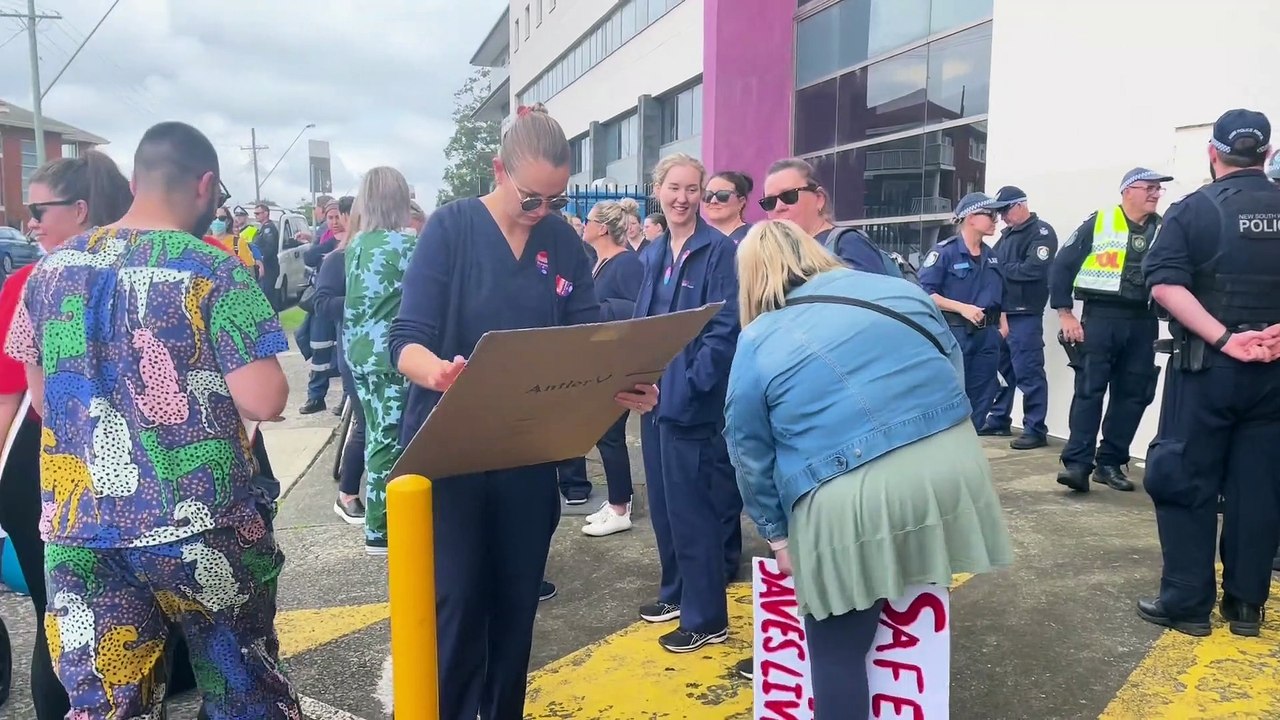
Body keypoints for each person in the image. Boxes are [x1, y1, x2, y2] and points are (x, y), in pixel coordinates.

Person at [5, 121, 299, 718]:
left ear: (135, 180)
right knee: (241, 684)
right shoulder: (213, 270)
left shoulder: (50, 273)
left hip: (81, 529)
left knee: (105, 702)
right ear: (206, 185)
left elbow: (40, 398)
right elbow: (264, 399)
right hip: (200, 526)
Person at [387, 104, 658, 720]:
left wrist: (627, 381)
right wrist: (440, 373)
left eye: (557, 202)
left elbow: (587, 334)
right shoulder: (452, 228)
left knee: (515, 607)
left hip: (528, 451)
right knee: (456, 606)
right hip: (450, 449)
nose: (542, 212)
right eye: (532, 198)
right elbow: (405, 339)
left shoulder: (560, 240)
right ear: (498, 169)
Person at [725, 220, 1012, 720]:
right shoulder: (897, 290)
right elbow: (951, 366)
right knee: (904, 592)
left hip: (847, 495)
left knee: (836, 649)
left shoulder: (758, 337)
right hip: (952, 468)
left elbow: (748, 449)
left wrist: (778, 537)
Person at [0, 151, 205, 719]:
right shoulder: (183, 262)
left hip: (58, 467)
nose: (30, 221)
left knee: (69, 630)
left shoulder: (32, 279)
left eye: (40, 208)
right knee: (171, 622)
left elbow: (17, 394)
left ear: (81, 207)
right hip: (162, 471)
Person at [1137, 109, 1280, 638]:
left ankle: (1188, 605)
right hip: (1275, 374)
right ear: (1266, 155)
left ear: (1213, 153)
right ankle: (1246, 607)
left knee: (1184, 478)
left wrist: (1224, 337)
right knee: (1260, 488)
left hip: (1209, 370)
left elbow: (1165, 286)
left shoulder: (1194, 210)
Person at [633, 152, 743, 653]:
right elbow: (640, 330)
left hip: (692, 406)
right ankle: (676, 592)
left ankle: (707, 617)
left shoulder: (720, 252)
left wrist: (683, 390)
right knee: (664, 508)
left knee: (695, 513)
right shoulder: (653, 253)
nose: (683, 198)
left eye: (693, 189)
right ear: (657, 189)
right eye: (674, 188)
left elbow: (723, 333)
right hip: (652, 403)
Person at [1049, 168, 1168, 493]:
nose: (1156, 194)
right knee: (1090, 390)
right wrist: (1065, 314)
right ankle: (1077, 465)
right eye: (1150, 188)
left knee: (1134, 395)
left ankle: (1110, 463)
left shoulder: (1166, 229)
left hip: (1144, 320)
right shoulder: (1099, 221)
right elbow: (1062, 265)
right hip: (1101, 317)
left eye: (1159, 189)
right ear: (1128, 191)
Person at [344, 170, 417, 555]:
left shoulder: (356, 244)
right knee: (391, 442)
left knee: (376, 434)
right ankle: (381, 527)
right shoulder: (406, 245)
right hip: (390, 356)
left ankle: (378, 522)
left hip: (358, 353)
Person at [569, 200, 645, 537]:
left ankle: (620, 507)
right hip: (602, 362)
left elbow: (640, 311)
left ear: (601, 227)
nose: (583, 225)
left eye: (588, 220)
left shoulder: (627, 264)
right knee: (604, 435)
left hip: (619, 363)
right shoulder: (601, 262)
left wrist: (601, 309)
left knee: (611, 436)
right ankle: (617, 499)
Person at [918, 192, 1008, 430]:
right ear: (970, 218)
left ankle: (973, 444)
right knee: (952, 394)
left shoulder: (992, 256)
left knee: (983, 395)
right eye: (990, 214)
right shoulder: (944, 253)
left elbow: (1000, 295)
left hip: (987, 337)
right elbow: (925, 294)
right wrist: (962, 308)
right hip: (956, 333)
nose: (995, 220)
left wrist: (1003, 327)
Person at [981, 186, 1057, 449]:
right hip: (1004, 314)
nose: (1001, 217)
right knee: (1002, 371)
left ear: (1020, 205)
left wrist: (1000, 268)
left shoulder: (1041, 233)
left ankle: (1035, 428)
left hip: (1025, 314)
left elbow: (1032, 270)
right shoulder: (1007, 236)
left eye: (1004, 210)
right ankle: (999, 419)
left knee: (1029, 372)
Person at [312, 196, 366, 523]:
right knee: (365, 421)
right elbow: (322, 304)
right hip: (353, 353)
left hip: (383, 353)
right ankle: (347, 493)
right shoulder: (337, 259)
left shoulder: (379, 255)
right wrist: (365, 300)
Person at [703, 170, 753, 243]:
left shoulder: (754, 236)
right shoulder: (697, 239)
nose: (713, 201)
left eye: (722, 195)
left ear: (741, 201)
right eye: (708, 195)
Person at [253, 202, 282, 309]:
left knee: (268, 298)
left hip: (269, 267)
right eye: (255, 213)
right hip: (266, 267)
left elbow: (269, 249)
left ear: (266, 213)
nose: (256, 216)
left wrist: (259, 258)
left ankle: (273, 322)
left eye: (258, 213)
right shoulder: (263, 228)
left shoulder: (268, 228)